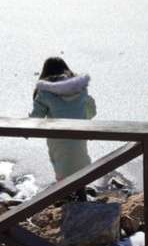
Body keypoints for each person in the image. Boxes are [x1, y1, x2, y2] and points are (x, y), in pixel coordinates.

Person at [29, 57, 97, 201]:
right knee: (78, 160)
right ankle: (80, 194)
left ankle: (66, 196)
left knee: (61, 163)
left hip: (57, 136)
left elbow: (37, 117)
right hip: (79, 132)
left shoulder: (45, 92)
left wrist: (26, 126)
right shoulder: (79, 89)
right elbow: (91, 110)